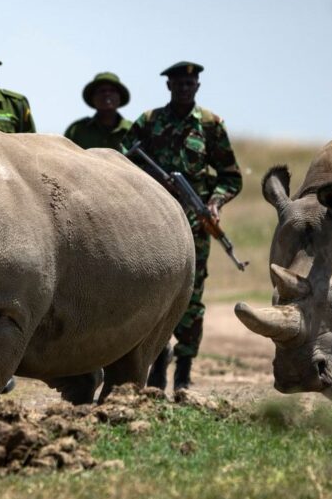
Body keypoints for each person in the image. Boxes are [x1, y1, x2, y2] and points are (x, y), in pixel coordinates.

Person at [124, 61, 243, 391]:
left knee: (191, 297)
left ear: (197, 88)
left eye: (190, 84)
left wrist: (215, 203)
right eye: (178, 84)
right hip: (152, 223)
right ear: (169, 87)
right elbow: (122, 157)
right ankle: (157, 366)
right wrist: (151, 182)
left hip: (194, 225)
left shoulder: (210, 125)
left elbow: (231, 177)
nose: (184, 89)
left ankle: (185, 373)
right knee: (154, 293)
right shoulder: (149, 122)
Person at [64, 72, 132, 149]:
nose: (107, 94)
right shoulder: (77, 130)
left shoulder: (132, 131)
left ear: (120, 98)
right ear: (93, 98)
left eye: (112, 90)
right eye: (102, 91)